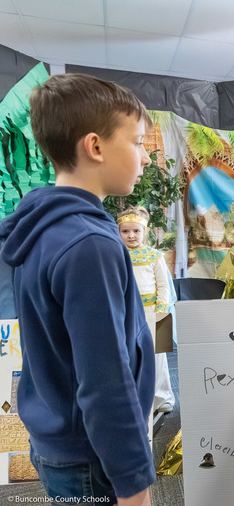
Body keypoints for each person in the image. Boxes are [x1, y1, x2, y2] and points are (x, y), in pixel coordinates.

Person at [0, 73, 155, 506]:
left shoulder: (45, 228)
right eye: (138, 142)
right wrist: (134, 485)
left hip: (61, 443)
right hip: (92, 458)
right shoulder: (89, 245)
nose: (145, 157)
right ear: (96, 147)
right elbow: (105, 380)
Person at [117, 206, 176, 414]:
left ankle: (162, 397)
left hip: (153, 313)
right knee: (130, 356)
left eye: (136, 231)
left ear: (145, 232)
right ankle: (136, 399)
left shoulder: (155, 256)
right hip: (128, 313)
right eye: (125, 231)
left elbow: (164, 286)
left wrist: (161, 311)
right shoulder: (117, 256)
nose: (131, 235)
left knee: (157, 358)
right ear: (119, 232)